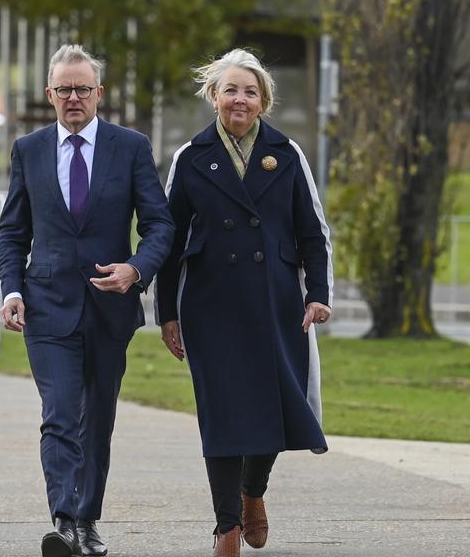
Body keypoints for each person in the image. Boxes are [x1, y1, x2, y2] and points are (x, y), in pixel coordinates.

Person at [0, 44, 173, 557]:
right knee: (59, 413)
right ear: (49, 94)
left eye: (83, 88)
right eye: (64, 89)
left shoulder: (131, 146)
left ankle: (86, 520)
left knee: (97, 419)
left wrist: (136, 269)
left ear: (99, 93)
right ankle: (65, 519)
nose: (74, 98)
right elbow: (13, 232)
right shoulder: (28, 150)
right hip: (46, 305)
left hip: (108, 307)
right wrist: (12, 289)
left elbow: (160, 224)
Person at [155, 48, 331, 557]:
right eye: (230, 89)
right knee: (224, 416)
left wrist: (318, 294)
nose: (240, 98)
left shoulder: (288, 154)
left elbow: (313, 234)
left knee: (272, 410)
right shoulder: (190, 158)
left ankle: (254, 493)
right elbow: (167, 242)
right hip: (210, 309)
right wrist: (167, 313)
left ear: (263, 101)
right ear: (214, 96)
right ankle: (226, 527)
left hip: (275, 303)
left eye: (250, 91)